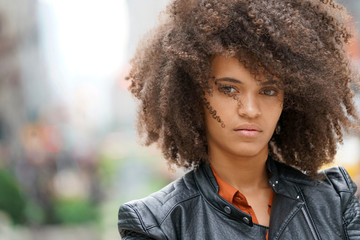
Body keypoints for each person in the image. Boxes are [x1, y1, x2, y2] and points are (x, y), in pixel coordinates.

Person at [118, 0, 360, 239]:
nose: (251, 110)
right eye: (229, 89)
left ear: (291, 101)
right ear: (192, 97)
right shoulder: (156, 225)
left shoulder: (334, 203)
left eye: (268, 91)